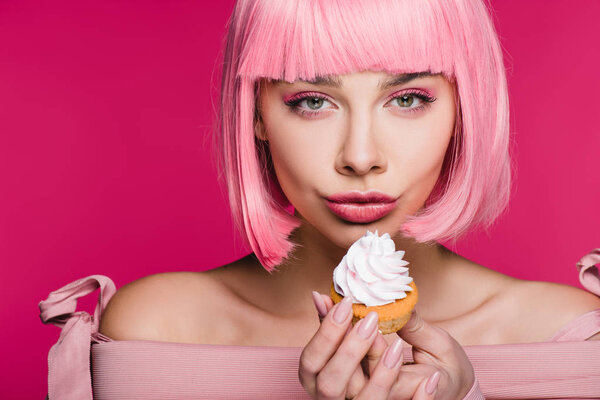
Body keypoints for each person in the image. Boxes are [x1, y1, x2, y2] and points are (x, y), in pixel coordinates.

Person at [39, 0, 600, 399]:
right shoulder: (159, 326)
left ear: (465, 109)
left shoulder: (569, 334)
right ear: (256, 114)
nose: (360, 156)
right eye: (311, 101)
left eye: (407, 98)